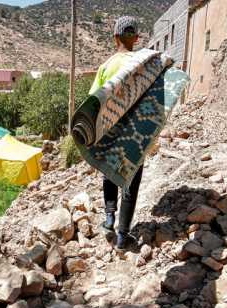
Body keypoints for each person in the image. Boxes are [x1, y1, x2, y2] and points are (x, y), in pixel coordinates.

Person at [90, 16, 143, 250]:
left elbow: (93, 101)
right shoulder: (144, 63)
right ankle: (123, 236)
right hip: (137, 130)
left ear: (115, 37)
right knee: (131, 179)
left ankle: (109, 218)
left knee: (110, 171)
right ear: (136, 38)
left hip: (111, 129)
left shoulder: (106, 66)